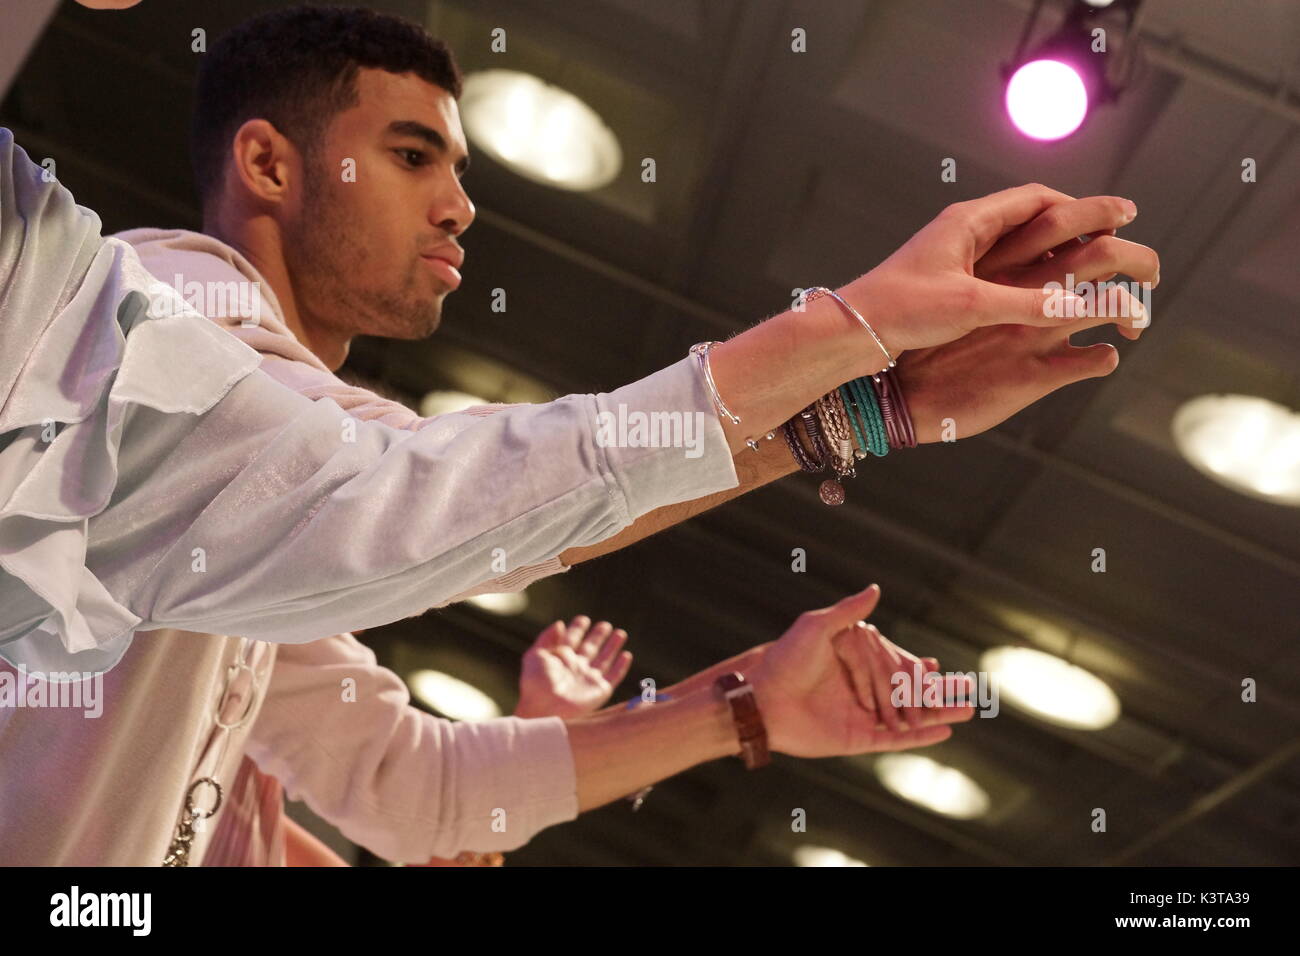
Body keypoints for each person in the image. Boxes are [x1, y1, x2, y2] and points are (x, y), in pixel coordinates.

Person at [0, 3, 1156, 865]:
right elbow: (401, 497)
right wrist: (847, 339)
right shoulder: (159, 304)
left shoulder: (238, 497)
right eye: (413, 157)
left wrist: (739, 707)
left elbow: (410, 782)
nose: (459, 204)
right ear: (266, 161)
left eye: (459, 168)